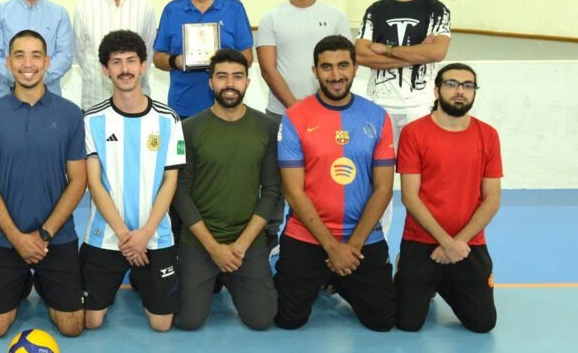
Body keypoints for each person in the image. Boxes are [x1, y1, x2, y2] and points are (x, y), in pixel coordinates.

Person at [274, 35, 396, 332]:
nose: (336, 75)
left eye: (343, 65)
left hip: (361, 241)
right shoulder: (295, 117)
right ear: (315, 71)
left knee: (383, 322)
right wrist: (332, 248)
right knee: (288, 320)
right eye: (326, 67)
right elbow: (293, 191)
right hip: (307, 237)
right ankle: (327, 276)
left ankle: (337, 279)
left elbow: (383, 189)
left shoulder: (377, 117)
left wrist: (351, 247)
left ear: (355, 68)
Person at [0, 30, 87, 338]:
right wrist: (17, 238)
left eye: (36, 55)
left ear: (47, 62)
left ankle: (45, 283)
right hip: (6, 238)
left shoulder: (71, 114)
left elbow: (78, 181)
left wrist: (44, 234)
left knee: (72, 327)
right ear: (8, 63)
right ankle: (22, 282)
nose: (28, 64)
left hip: (56, 237)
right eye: (19, 56)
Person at [81, 30, 183, 332]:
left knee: (162, 324)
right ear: (105, 69)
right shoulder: (91, 120)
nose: (124, 69)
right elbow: (94, 184)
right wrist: (127, 237)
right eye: (116, 62)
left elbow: (170, 181)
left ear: (143, 66)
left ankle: (142, 280)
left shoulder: (168, 119)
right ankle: (125, 275)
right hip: (107, 234)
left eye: (131, 61)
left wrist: (145, 234)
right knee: (90, 321)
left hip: (154, 234)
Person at [174, 49, 281, 331]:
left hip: (246, 242)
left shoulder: (267, 127)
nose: (230, 84)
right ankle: (213, 275)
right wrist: (213, 248)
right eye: (222, 77)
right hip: (200, 241)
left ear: (248, 82)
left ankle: (227, 276)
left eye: (237, 76)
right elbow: (181, 193)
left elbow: (272, 191)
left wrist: (241, 246)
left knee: (261, 319)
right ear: (210, 82)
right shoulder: (189, 128)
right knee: (189, 321)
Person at [396, 63, 501, 333]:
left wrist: (458, 243)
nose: (460, 91)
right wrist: (445, 242)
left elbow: (492, 199)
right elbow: (410, 196)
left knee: (482, 324)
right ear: (436, 91)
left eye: (468, 86)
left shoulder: (488, 135)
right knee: (407, 323)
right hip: (422, 242)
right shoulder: (414, 133)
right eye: (452, 84)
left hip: (468, 244)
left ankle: (441, 281)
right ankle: (411, 269)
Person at [355, 0, 451, 140]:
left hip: (419, 104)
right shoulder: (375, 10)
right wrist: (418, 54)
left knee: (417, 160)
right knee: (381, 160)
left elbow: (437, 52)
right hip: (380, 102)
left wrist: (387, 49)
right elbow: (361, 55)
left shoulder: (437, 9)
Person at [154, 0, 254, 120]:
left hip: (226, 106)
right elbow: (157, 58)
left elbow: (248, 57)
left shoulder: (234, 8)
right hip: (183, 107)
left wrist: (223, 63)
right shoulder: (172, 10)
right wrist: (176, 61)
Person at [256, 0, 349, 119]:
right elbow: (268, 70)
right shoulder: (270, 18)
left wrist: (321, 105)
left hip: (327, 111)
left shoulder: (337, 16)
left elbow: (345, 65)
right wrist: (295, 107)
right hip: (281, 113)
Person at [73, 0, 157, 111]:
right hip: (95, 98)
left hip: (135, 100)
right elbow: (80, 53)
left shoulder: (144, 7)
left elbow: (148, 52)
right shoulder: (84, 8)